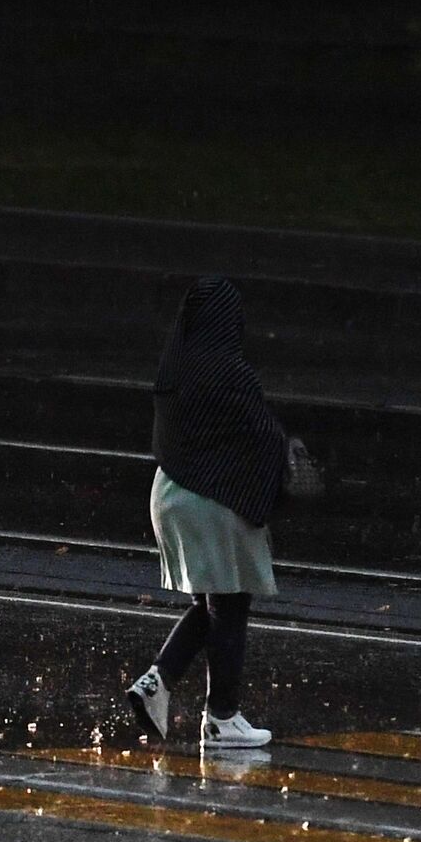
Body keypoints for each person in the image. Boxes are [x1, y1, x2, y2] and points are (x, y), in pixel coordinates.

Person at [126, 278, 283, 750]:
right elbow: (261, 436)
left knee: (211, 602)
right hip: (214, 499)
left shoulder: (175, 374)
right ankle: (221, 717)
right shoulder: (231, 373)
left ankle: (158, 681)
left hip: (169, 494)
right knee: (231, 604)